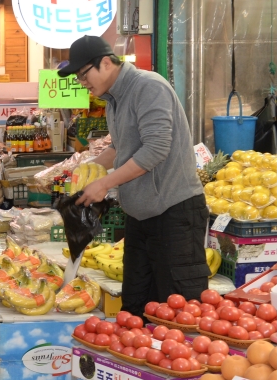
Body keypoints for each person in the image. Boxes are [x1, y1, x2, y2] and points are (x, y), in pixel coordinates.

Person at [60, 35, 209, 315]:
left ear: (105, 62)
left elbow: (155, 149)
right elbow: (120, 147)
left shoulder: (147, 87)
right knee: (136, 308)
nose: (83, 83)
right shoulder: (113, 99)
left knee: (179, 310)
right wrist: (85, 170)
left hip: (173, 214)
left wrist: (104, 183)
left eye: (83, 74)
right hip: (141, 218)